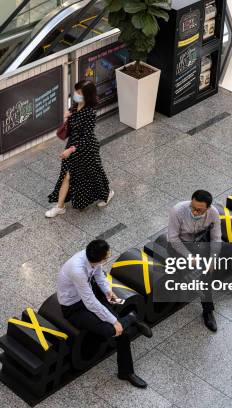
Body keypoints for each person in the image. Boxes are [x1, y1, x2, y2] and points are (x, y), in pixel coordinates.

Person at [57, 239, 153, 388]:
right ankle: (132, 318)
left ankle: (126, 372)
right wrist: (113, 320)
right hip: (73, 307)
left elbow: (99, 275)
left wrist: (108, 291)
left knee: (121, 331)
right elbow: (90, 303)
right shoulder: (77, 269)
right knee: (111, 329)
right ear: (98, 257)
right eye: (106, 257)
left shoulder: (92, 258)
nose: (107, 257)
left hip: (86, 296)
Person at [46, 80, 114, 217]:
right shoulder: (75, 105)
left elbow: (86, 137)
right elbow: (72, 126)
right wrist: (67, 116)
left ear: (87, 95)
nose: (76, 94)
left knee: (93, 173)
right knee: (67, 175)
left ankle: (107, 193)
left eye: (79, 92)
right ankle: (60, 206)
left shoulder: (90, 113)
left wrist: (70, 150)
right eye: (76, 91)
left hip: (86, 148)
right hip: (72, 144)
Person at [167, 190, 221, 332]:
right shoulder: (178, 210)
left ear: (207, 208)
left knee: (206, 271)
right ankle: (207, 308)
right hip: (179, 246)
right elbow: (173, 239)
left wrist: (213, 259)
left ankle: (207, 310)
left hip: (200, 243)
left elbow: (216, 238)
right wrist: (188, 256)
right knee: (200, 273)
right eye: (193, 207)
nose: (195, 212)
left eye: (199, 210)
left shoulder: (213, 213)